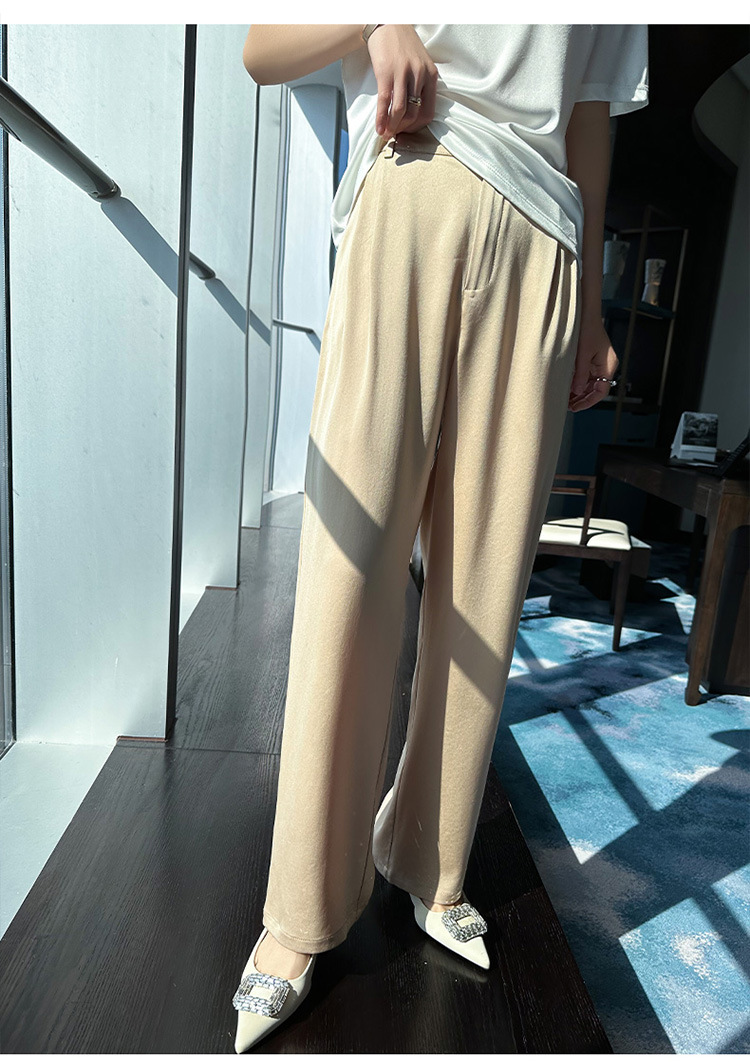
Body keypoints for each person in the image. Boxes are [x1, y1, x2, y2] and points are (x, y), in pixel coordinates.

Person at [234, 23, 649, 1052]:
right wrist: (376, 21)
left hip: (543, 241)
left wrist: (591, 300)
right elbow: (262, 49)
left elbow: (589, 113)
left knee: (485, 584)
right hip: (413, 184)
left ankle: (431, 859)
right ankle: (298, 910)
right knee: (349, 572)